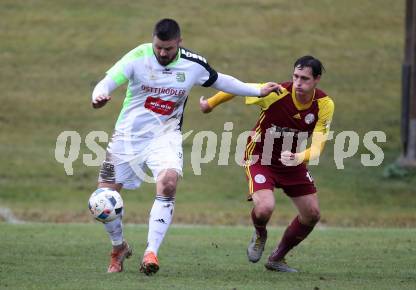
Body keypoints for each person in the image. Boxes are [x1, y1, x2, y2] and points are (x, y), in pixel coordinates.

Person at [91, 18, 282, 275]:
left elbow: (221, 80)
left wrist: (257, 90)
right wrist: (98, 96)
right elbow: (108, 81)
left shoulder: (192, 64)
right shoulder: (138, 56)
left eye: (168, 48)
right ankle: (119, 247)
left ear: (179, 43)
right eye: (158, 46)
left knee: (168, 181)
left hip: (165, 136)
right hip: (126, 138)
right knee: (103, 199)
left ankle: (151, 252)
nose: (162, 52)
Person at [199, 55, 334, 272]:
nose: (299, 83)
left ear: (317, 79)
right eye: (296, 76)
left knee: (312, 214)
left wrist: (300, 157)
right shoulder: (276, 93)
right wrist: (209, 104)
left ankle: (276, 258)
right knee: (264, 208)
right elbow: (237, 88)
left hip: (291, 161)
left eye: (305, 79)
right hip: (259, 157)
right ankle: (260, 232)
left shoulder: (324, 104)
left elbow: (318, 146)